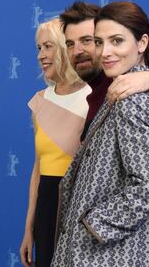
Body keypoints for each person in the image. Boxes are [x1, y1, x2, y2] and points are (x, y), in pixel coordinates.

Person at [51, 1, 149, 266]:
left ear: (141, 43)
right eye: (100, 42)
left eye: (116, 41)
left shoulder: (131, 98)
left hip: (111, 255)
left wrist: (95, 225)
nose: (105, 52)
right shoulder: (123, 91)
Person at [59, 1, 149, 141]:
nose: (77, 51)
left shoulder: (134, 84)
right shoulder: (97, 88)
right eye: (70, 44)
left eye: (87, 40)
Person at [19, 18, 91, 267]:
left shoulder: (93, 97)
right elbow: (38, 169)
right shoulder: (39, 101)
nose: (41, 55)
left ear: (64, 47)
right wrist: (30, 228)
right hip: (46, 207)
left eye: (48, 46)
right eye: (39, 48)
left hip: (81, 206)